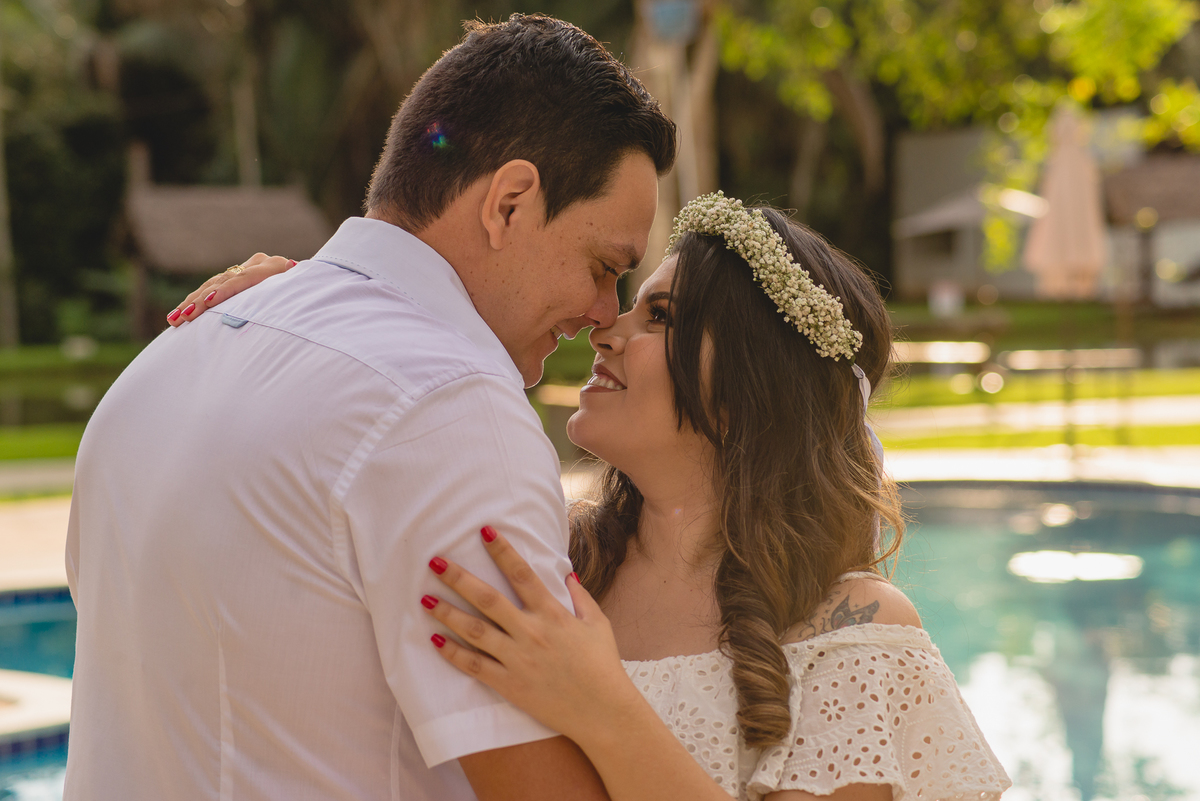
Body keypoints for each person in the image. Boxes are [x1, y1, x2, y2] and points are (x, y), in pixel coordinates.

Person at [193, 194, 1012, 800]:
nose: (607, 327)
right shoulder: (550, 560)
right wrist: (323, 305)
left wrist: (603, 703)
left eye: (659, 314)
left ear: (747, 389)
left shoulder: (856, 631)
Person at [64, 14, 675, 801]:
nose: (604, 310)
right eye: (603, 266)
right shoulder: (453, 415)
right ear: (511, 203)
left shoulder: (165, 363)